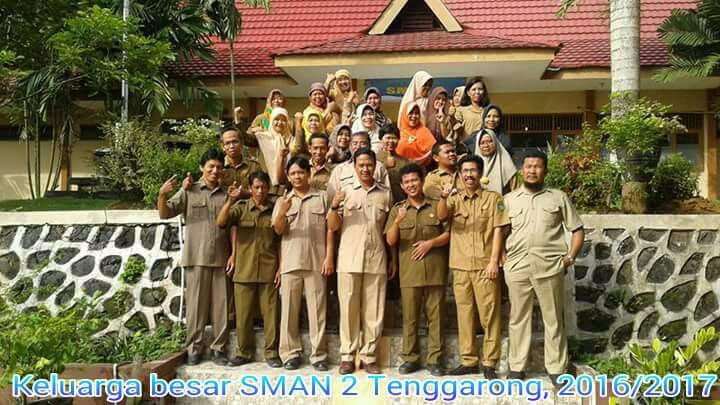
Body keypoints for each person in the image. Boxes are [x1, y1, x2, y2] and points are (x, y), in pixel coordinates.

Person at [501, 150, 584, 388]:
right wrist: (504, 260)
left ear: (545, 170)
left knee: (553, 318)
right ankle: (517, 367)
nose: (532, 170)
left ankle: (556, 369)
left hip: (550, 267)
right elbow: (499, 232)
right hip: (517, 267)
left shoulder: (558, 198)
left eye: (537, 166)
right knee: (518, 318)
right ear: (522, 170)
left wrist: (569, 258)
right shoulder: (508, 200)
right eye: (528, 166)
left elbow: (577, 230)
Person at [157, 148, 232, 366]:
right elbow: (165, 213)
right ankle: (194, 349)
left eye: (219, 167)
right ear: (202, 168)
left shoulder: (227, 194)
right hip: (196, 257)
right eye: (211, 167)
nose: (215, 171)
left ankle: (219, 349)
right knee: (196, 308)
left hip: (221, 257)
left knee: (221, 308)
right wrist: (162, 194)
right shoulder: (189, 191)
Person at [437, 154, 508, 378]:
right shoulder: (453, 199)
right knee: (464, 314)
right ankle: (468, 360)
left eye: (473, 170)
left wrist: (494, 261)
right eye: (465, 171)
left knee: (490, 315)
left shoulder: (494, 198)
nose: (469, 175)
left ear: (480, 173)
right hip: (460, 265)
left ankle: (489, 362)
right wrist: (443, 196)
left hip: (486, 265)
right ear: (460, 174)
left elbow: (499, 229)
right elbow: (441, 216)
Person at [328, 148, 393, 375]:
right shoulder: (344, 191)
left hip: (376, 257)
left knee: (374, 309)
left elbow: (388, 229)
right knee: (348, 309)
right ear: (354, 167)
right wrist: (334, 205)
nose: (365, 169)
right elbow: (332, 226)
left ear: (375, 166)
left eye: (369, 165)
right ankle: (347, 356)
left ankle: (369, 356)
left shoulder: (385, 194)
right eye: (361, 165)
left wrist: (392, 259)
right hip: (349, 258)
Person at [385, 164, 449, 377]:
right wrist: (397, 221)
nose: (411, 185)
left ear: (421, 182)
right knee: (410, 318)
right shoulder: (398, 209)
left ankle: (435, 360)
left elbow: (449, 233)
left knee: (436, 318)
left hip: (435, 270)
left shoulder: (436, 205)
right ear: (402, 186)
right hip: (409, 271)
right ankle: (410, 358)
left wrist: (430, 243)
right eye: (407, 182)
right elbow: (390, 240)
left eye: (414, 180)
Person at [272, 156, 335, 371]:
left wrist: (329, 256)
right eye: (293, 173)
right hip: (290, 262)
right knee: (289, 311)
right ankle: (290, 354)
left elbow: (331, 229)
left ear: (308, 173)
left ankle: (319, 355)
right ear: (288, 177)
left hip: (317, 261)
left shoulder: (322, 197)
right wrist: (283, 210)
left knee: (318, 311)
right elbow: (278, 230)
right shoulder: (283, 200)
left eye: (301, 172)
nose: (297, 176)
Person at [216, 171, 282, 368]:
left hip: (269, 269)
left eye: (264, 187)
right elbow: (221, 222)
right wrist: (230, 201)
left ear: (268, 188)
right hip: (244, 269)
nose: (260, 191)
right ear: (250, 189)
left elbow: (280, 241)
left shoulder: (274, 210)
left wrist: (280, 268)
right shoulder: (241, 208)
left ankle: (272, 353)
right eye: (256, 187)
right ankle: (243, 352)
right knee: (243, 315)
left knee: (271, 314)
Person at [326, 131, 390, 202]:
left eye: (363, 143)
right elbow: (330, 197)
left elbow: (387, 195)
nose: (358, 147)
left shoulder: (379, 167)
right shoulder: (340, 169)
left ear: (369, 146)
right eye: (355, 143)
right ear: (350, 146)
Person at [464, 128, 518, 195]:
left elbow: (515, 192)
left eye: (490, 142)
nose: (486, 145)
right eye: (482, 143)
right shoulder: (472, 166)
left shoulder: (508, 165)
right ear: (478, 146)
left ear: (496, 143)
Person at [219, 124, 261, 197]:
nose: (232, 146)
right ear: (223, 147)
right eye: (227, 143)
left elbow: (262, 191)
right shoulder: (217, 167)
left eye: (235, 142)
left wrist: (246, 193)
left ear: (242, 144)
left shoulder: (254, 166)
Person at [377, 123, 410, 203]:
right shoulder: (374, 158)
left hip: (400, 201)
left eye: (394, 138)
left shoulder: (404, 161)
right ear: (381, 139)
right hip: (380, 201)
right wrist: (385, 165)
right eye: (388, 138)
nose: (391, 141)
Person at [397, 101, 436, 166]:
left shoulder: (424, 131)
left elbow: (434, 149)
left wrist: (419, 161)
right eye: (411, 113)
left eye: (417, 113)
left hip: (421, 168)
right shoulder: (398, 132)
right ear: (405, 114)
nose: (414, 116)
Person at [455, 76, 490, 141]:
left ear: (484, 92)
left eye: (480, 89)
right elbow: (456, 126)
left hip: (484, 145)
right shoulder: (461, 110)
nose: (477, 92)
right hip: (467, 145)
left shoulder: (488, 110)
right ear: (468, 93)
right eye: (474, 89)